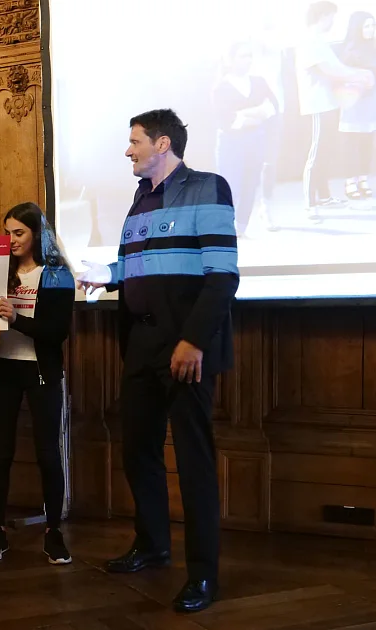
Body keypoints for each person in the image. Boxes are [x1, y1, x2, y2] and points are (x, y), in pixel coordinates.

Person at [78, 109, 239, 613]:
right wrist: (105, 273)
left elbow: (222, 276)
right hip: (142, 348)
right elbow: (137, 264)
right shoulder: (139, 199)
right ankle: (151, 545)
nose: (128, 151)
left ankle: (203, 576)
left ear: (162, 143)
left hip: (185, 350)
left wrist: (193, 341)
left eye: (135, 142)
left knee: (193, 463)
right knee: (138, 452)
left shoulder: (208, 187)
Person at [0, 202, 75, 565]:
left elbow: (56, 333)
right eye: (7, 233)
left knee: (48, 454)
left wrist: (16, 319)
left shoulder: (57, 274)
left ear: (37, 233)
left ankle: (54, 533)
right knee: (0, 454)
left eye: (18, 233)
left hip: (41, 373)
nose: (11, 240)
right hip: (3, 371)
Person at [295, 1, 373, 221]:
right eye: (332, 17)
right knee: (316, 154)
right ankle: (310, 204)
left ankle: (324, 197)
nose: (333, 22)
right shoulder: (309, 40)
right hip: (317, 105)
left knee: (325, 152)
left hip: (329, 104)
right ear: (323, 15)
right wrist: (358, 75)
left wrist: (354, 74)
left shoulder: (320, 41)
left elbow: (337, 69)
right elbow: (327, 70)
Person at [212, 41, 279, 236]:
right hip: (230, 144)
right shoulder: (221, 87)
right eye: (242, 56)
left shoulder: (259, 81)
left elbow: (272, 107)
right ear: (230, 59)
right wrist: (256, 113)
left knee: (251, 184)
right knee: (231, 187)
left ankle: (241, 228)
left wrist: (245, 114)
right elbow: (227, 120)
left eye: (249, 55)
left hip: (255, 141)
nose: (247, 60)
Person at [338, 11, 376, 200]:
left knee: (366, 144)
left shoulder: (373, 47)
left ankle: (363, 179)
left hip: (370, 104)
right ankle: (349, 181)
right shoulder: (350, 51)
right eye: (367, 26)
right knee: (351, 144)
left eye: (373, 25)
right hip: (353, 104)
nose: (371, 30)